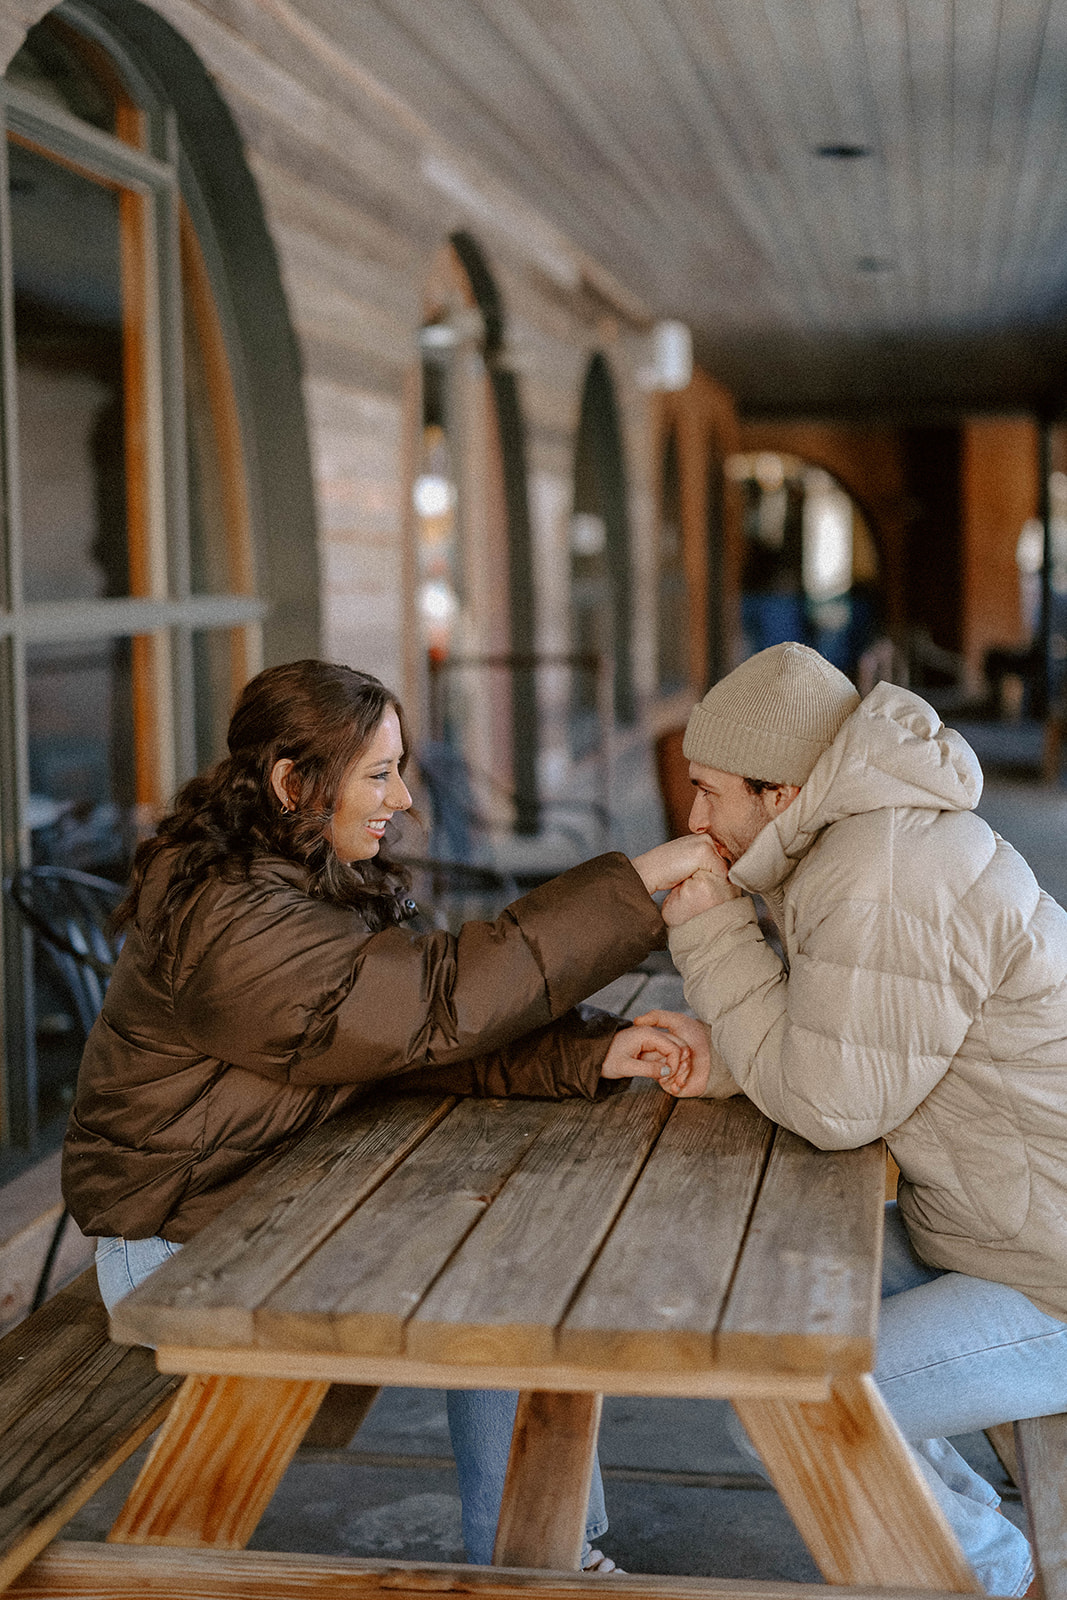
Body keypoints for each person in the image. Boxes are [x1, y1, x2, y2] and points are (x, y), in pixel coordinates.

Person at [62, 658, 713, 1568]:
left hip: (253, 1201)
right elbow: (430, 1005)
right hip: (177, 1252)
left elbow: (393, 1037)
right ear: (295, 783)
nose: (403, 798)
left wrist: (586, 1051)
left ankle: (536, 1549)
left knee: (499, 1252)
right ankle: (537, 1555)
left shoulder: (288, 872)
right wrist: (634, 885)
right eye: (379, 773)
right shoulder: (236, 919)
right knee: (491, 1265)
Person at [643, 641, 1067, 1599]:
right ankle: (955, 1530)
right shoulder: (866, 837)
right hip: (1001, 1223)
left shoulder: (880, 870)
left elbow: (832, 1108)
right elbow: (850, 1045)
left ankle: (984, 1576)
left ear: (783, 793)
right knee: (779, 1300)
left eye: (709, 792)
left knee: (786, 1404)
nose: (695, 818)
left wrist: (710, 931)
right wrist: (734, 1063)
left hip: (1047, 1274)